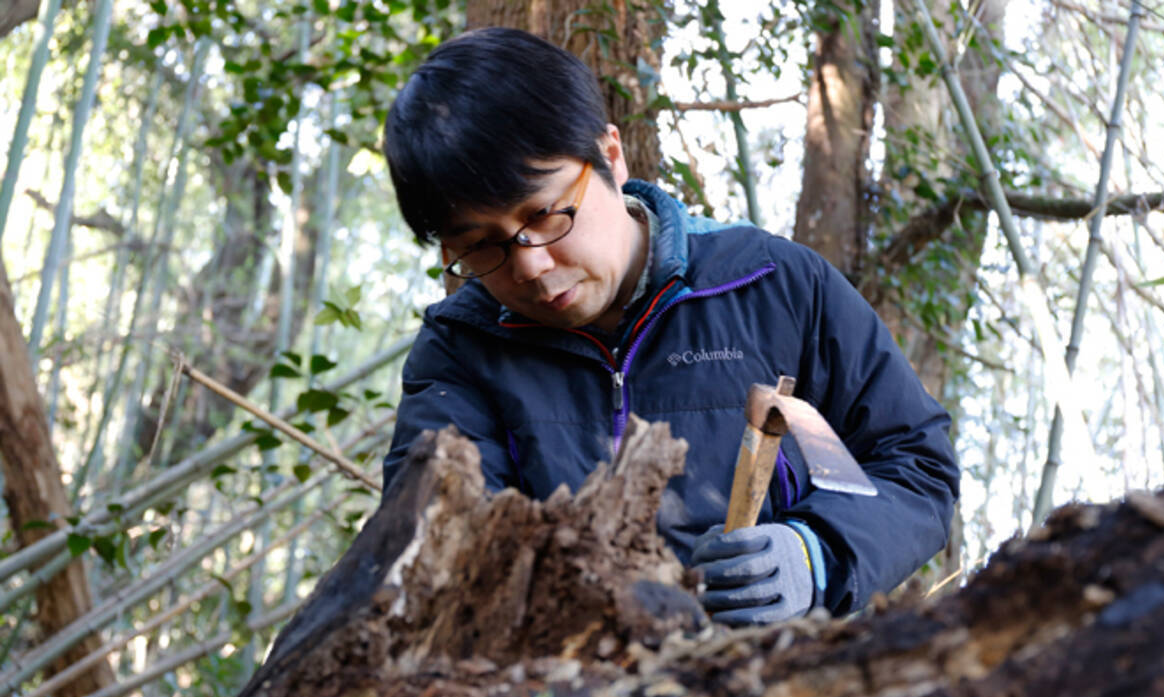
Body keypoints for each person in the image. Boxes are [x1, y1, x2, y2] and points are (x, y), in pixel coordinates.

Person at [380, 27, 959, 625]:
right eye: (482, 246)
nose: (530, 265)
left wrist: (816, 556)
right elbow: (440, 543)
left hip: (778, 687)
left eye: (545, 215)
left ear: (610, 156)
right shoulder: (460, 348)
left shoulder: (772, 285)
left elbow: (916, 465)